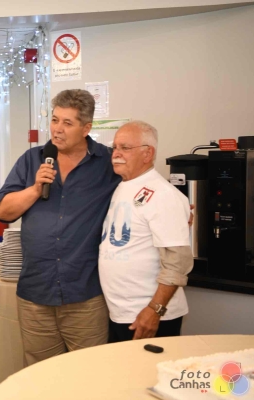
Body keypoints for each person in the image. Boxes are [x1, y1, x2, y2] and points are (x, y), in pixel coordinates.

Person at [0, 89, 121, 366]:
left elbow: (143, 187)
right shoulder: (32, 159)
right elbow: (2, 211)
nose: (57, 129)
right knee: (41, 376)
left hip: (85, 294)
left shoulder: (107, 163)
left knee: (91, 375)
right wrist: (35, 189)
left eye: (67, 123)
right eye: (54, 120)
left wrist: (175, 209)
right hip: (36, 293)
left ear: (86, 128)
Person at [99, 121, 193, 342]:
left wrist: (155, 310)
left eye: (125, 148)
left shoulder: (164, 194)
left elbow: (177, 263)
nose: (116, 154)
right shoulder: (123, 186)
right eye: (115, 147)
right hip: (121, 313)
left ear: (147, 153)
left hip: (150, 314)